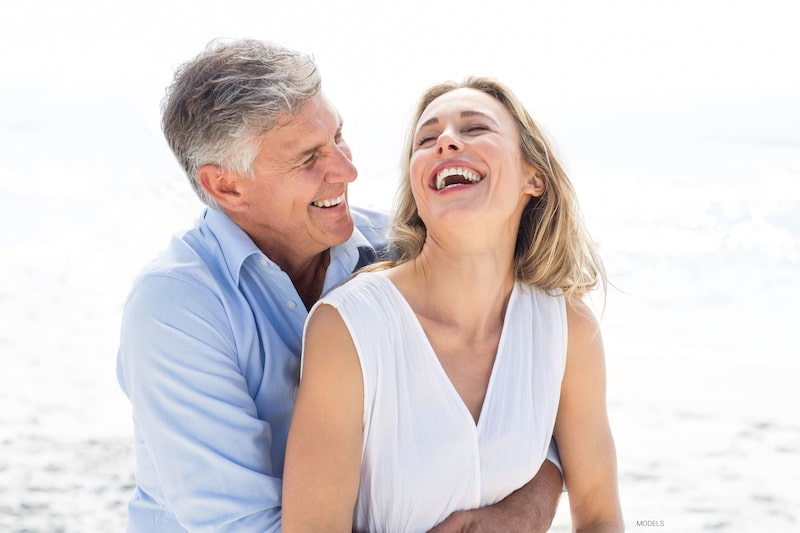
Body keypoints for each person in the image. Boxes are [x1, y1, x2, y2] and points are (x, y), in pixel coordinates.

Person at [116, 40, 563, 532]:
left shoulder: (404, 251)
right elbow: (244, 526)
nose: (348, 171)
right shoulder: (175, 308)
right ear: (228, 187)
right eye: (309, 158)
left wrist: (521, 513)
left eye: (339, 138)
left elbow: (529, 409)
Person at [282, 76, 624, 532]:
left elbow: (601, 517)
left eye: (475, 128)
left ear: (533, 178)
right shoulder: (347, 329)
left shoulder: (569, 329)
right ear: (417, 191)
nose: (445, 142)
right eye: (427, 138)